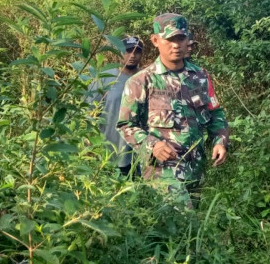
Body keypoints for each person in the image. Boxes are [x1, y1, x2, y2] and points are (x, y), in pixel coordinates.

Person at [116, 13, 228, 206]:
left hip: (196, 169)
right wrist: (153, 145)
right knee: (179, 222)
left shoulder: (200, 76)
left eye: (181, 38)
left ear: (187, 40)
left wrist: (220, 140)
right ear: (156, 40)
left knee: (190, 229)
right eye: (170, 39)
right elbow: (126, 125)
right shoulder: (141, 81)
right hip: (162, 171)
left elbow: (215, 112)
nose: (176, 45)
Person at [87, 36, 144, 177]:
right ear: (119, 53)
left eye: (137, 51)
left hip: (137, 151)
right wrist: (89, 144)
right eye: (127, 51)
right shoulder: (105, 77)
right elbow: (89, 112)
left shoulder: (145, 78)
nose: (132, 55)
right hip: (107, 150)